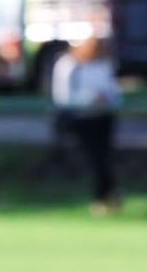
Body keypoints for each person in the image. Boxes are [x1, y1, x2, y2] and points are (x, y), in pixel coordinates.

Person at [49, 33, 121, 213]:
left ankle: (107, 197)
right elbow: (62, 96)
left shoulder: (103, 64)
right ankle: (103, 197)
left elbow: (113, 91)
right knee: (94, 158)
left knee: (103, 157)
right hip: (81, 117)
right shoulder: (68, 65)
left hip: (103, 116)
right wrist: (89, 99)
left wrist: (106, 100)